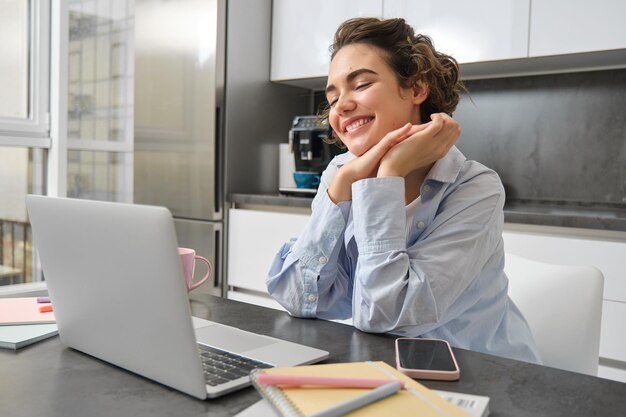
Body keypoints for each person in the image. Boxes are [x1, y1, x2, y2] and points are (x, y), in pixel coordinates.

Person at [267, 17, 540, 363]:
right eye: (333, 98)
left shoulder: (475, 189)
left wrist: (389, 174)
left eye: (361, 84)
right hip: (388, 370)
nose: (342, 106)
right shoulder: (342, 174)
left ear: (416, 89)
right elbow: (296, 296)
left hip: (485, 377)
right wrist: (338, 190)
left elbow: (387, 316)